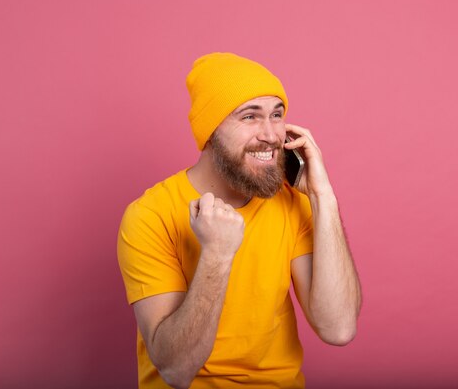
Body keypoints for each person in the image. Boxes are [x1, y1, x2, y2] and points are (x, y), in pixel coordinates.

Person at [117, 52, 361, 389]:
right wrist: (217, 254)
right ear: (210, 131)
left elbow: (338, 328)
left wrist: (323, 197)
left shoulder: (293, 203)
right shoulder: (150, 215)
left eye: (277, 115)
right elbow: (175, 369)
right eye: (250, 117)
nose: (272, 135)